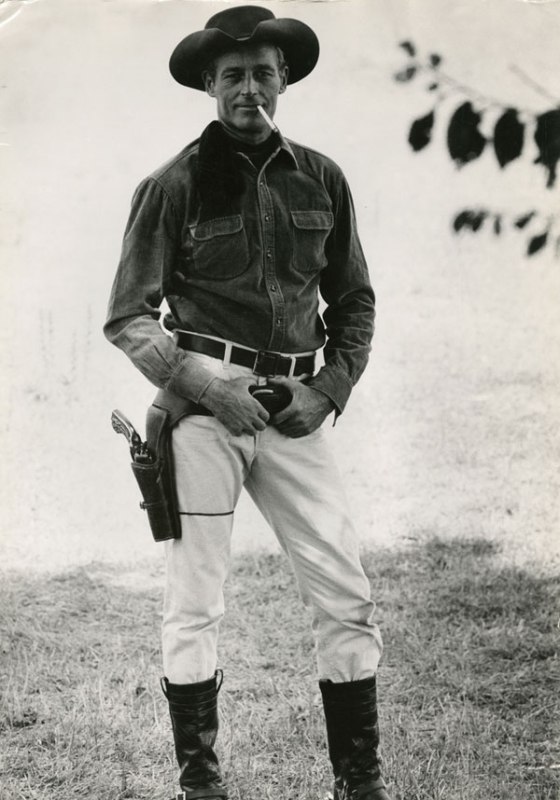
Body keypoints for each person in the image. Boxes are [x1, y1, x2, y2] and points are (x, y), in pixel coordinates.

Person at [104, 6, 391, 800]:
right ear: (208, 84)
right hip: (202, 415)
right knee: (195, 600)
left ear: (286, 79)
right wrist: (204, 388)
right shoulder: (171, 184)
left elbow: (355, 301)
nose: (249, 90)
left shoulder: (323, 177)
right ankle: (203, 784)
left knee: (347, 592)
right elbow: (129, 315)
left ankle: (358, 782)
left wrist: (327, 388)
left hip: (294, 411)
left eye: (265, 73)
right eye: (233, 76)